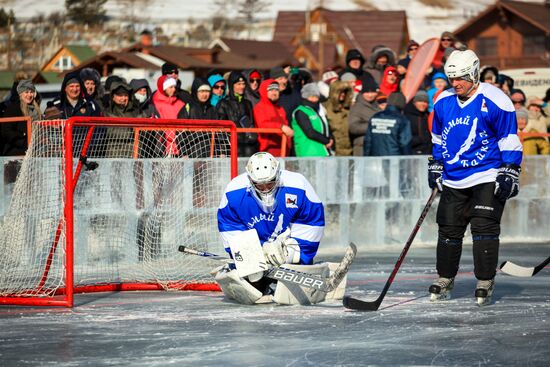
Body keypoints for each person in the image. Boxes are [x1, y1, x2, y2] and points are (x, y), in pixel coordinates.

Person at [428, 49, 523, 306]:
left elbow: (508, 138)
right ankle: (445, 277)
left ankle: (484, 280)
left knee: (484, 228)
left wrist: (510, 170)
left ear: (473, 73)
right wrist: (436, 163)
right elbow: (438, 137)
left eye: (460, 78)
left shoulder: (495, 99)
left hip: (486, 173)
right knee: (448, 228)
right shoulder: (443, 101)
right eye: (451, 79)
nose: (455, 83)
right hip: (454, 176)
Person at [215, 151, 329, 305]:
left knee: (294, 290)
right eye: (259, 185)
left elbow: (312, 221)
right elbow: (230, 227)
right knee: (253, 285)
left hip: (286, 248)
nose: (265, 188)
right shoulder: (233, 192)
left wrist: (291, 251)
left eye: (270, 182)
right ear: (250, 180)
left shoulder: (298, 185)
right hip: (258, 258)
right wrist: (250, 254)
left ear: (277, 174)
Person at [252, 79, 293, 157]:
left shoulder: (280, 109)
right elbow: (262, 124)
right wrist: (281, 127)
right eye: (271, 90)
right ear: (265, 91)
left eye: (276, 90)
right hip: (268, 152)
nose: (274, 93)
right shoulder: (260, 107)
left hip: (283, 152)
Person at [291, 83, 333, 157]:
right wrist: (326, 140)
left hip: (321, 151)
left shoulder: (317, 110)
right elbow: (310, 132)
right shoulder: (301, 111)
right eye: (312, 96)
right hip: (307, 152)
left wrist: (330, 138)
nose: (315, 99)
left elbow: (325, 127)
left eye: (316, 96)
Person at [363, 92, 412, 156]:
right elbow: (405, 144)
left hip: (375, 161)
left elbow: (367, 142)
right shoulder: (402, 120)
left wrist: (366, 159)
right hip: (394, 161)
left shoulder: (375, 117)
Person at [1, 79, 41, 156]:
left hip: (34, 151)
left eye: (31, 92)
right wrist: (23, 139)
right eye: (26, 92)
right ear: (20, 94)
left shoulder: (36, 109)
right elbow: (6, 131)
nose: (29, 95)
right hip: (16, 153)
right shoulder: (13, 109)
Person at [348, 78, 381, 156]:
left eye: (372, 92)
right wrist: (373, 126)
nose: (370, 95)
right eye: (366, 92)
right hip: (362, 147)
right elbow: (353, 127)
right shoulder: (357, 107)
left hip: (376, 147)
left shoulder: (378, 107)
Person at [323, 80, 353, 156]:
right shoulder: (325, 108)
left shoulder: (350, 108)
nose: (343, 94)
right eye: (340, 92)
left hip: (350, 151)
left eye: (344, 92)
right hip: (334, 150)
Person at [404, 90, 431, 155]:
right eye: (420, 101)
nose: (423, 104)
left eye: (425, 102)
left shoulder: (428, 116)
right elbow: (404, 138)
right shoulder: (406, 116)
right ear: (414, 102)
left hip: (427, 152)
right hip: (412, 152)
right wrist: (420, 139)